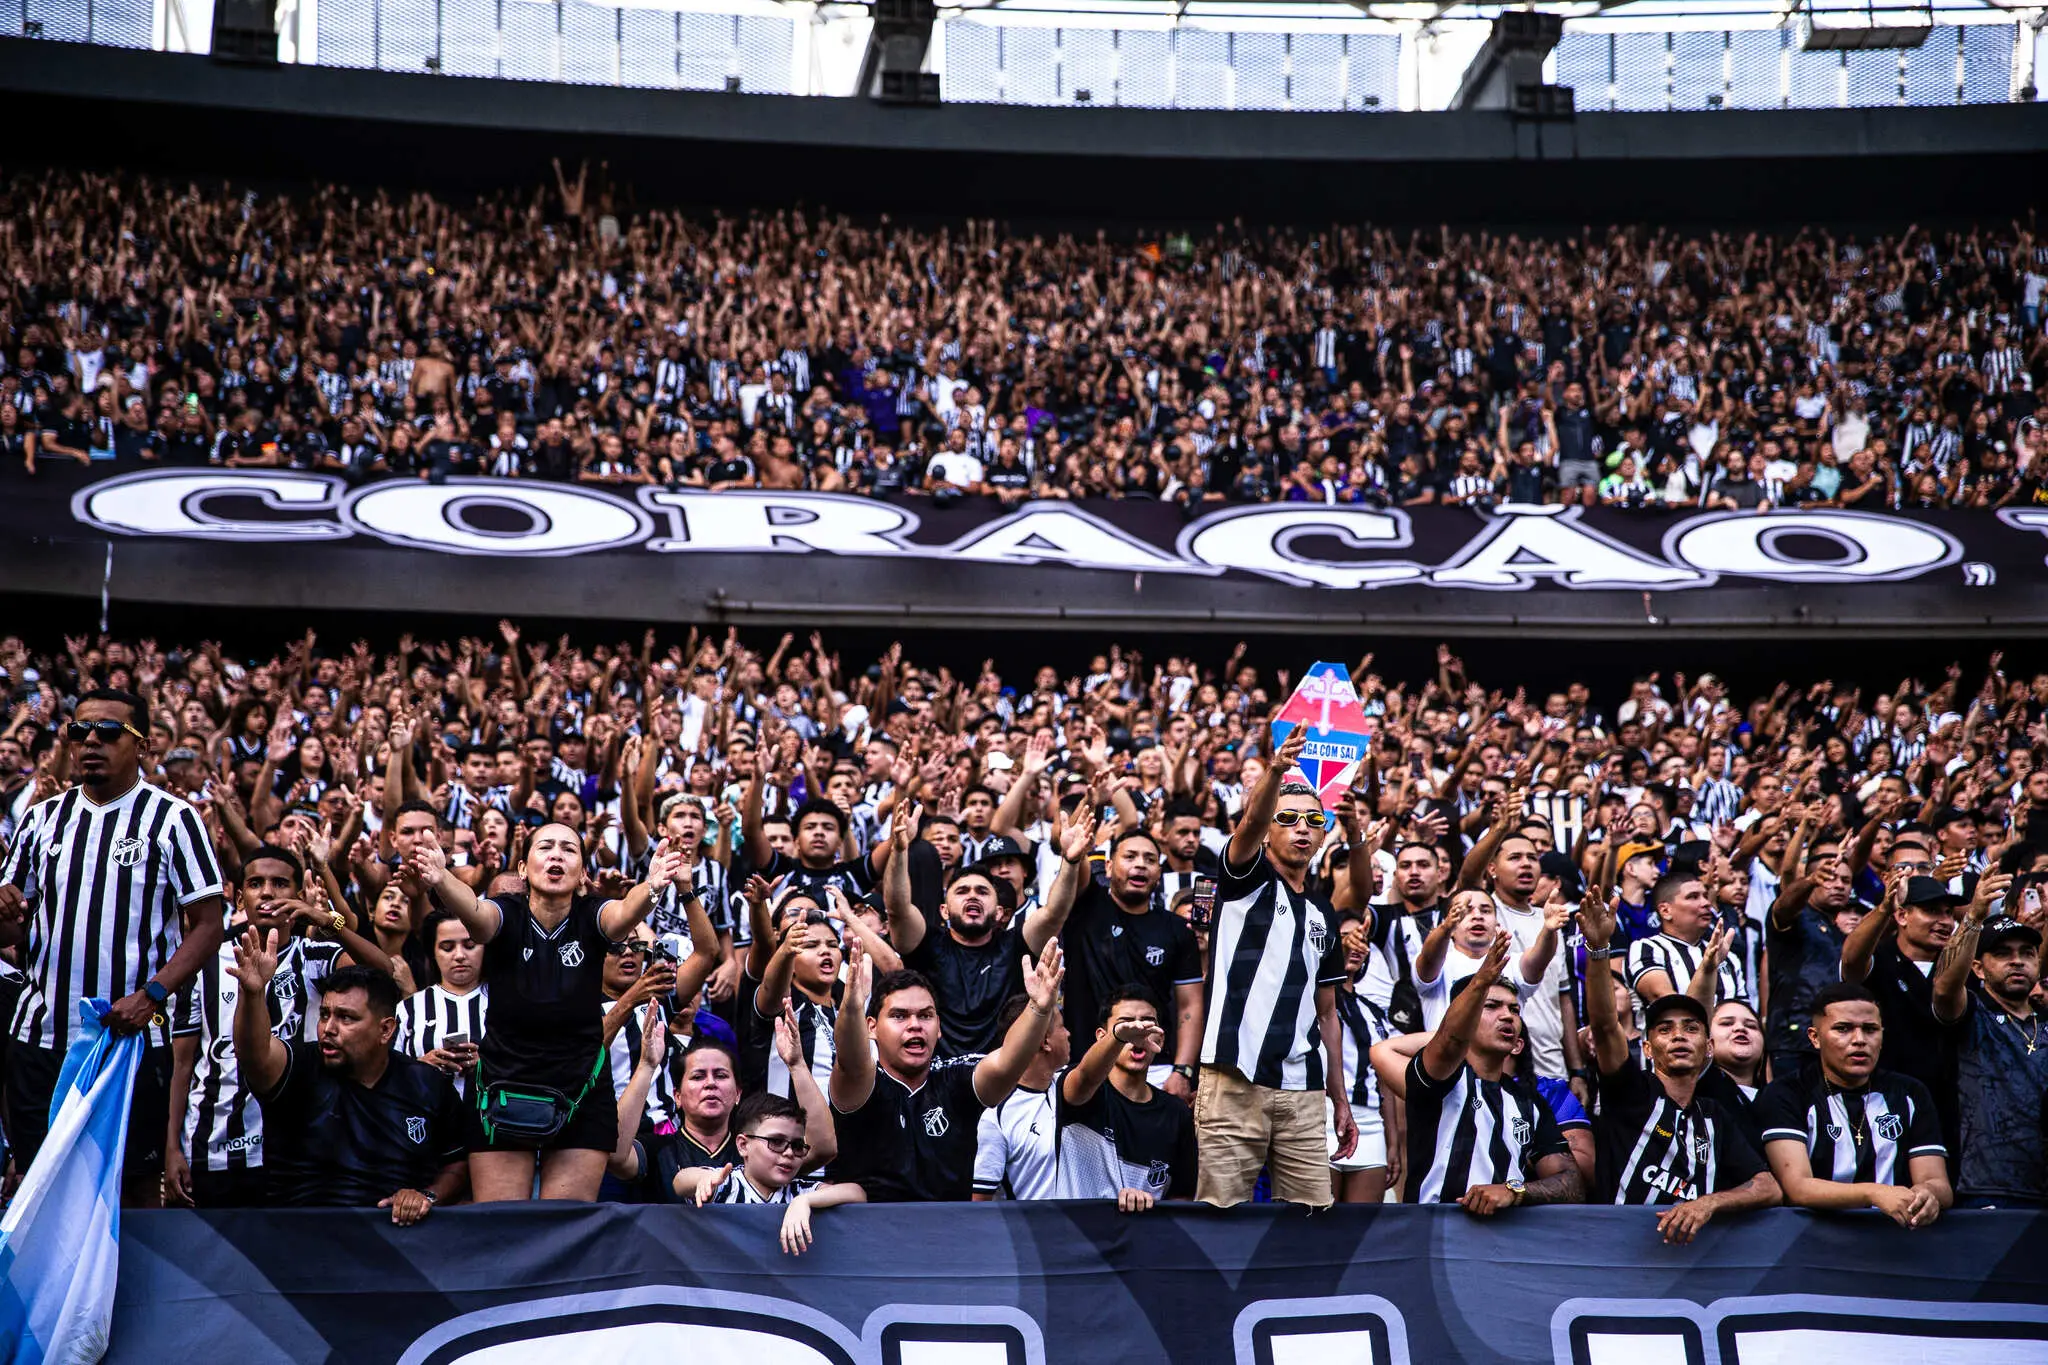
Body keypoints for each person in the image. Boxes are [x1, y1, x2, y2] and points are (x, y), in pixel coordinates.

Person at [0, 687, 224, 1204]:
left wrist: (152, 996)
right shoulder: (41, 818)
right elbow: (11, 930)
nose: (91, 742)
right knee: (40, 1186)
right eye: (80, 731)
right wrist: (2, 909)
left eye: (108, 732)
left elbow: (209, 925)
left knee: (133, 1189)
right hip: (43, 1037)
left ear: (142, 745)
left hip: (133, 1042)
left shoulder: (173, 819)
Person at [409, 827, 680, 1201]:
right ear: (523, 868)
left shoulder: (593, 913)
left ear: (582, 873)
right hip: (502, 1085)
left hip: (581, 1088)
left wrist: (652, 886)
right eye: (545, 847)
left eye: (569, 849)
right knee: (506, 1221)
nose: (556, 855)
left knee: (565, 1223)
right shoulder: (506, 912)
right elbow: (476, 914)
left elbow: (622, 914)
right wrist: (442, 878)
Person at [167, 843, 389, 1208]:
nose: (267, 893)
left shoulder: (316, 957)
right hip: (215, 1143)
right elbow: (181, 1063)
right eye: (256, 884)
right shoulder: (204, 964)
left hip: (301, 1147)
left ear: (299, 897)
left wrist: (325, 920)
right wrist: (172, 1147)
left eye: (280, 883)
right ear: (240, 898)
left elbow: (384, 975)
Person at [1195, 726, 1354, 1208]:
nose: (1302, 827)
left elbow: (1327, 1013)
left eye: (1313, 820)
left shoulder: (1324, 912)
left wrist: (1339, 1098)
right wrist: (1276, 772)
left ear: (1323, 835)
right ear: (1268, 829)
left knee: (1311, 1219)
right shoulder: (1246, 878)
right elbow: (1247, 827)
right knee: (1221, 1219)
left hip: (1304, 1090)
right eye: (1287, 818)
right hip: (1233, 1078)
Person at [1579, 887, 1779, 1241]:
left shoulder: (1715, 1115)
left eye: (1691, 1029)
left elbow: (1768, 1187)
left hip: (1691, 1263)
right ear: (1647, 1048)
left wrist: (1709, 1203)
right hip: (1616, 1253)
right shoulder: (1631, 1093)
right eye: (1664, 1030)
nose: (1678, 1037)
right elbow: (1606, 1025)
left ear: (1709, 1049)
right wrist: (1598, 950)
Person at [230, 946, 465, 1222]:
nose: (328, 1029)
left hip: (394, 1237)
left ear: (386, 1029)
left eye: (346, 1018)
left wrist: (427, 1196)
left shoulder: (426, 1084)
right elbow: (254, 1054)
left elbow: (457, 1163)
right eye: (324, 1014)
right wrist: (253, 995)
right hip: (300, 1234)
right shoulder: (298, 1068)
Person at [827, 940, 1064, 1203]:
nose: (915, 1025)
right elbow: (851, 1058)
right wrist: (852, 1008)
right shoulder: (862, 1084)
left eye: (925, 1016)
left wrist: (1038, 1009)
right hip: (871, 1228)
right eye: (899, 1016)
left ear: (939, 1027)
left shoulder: (956, 1079)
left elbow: (1007, 1062)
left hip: (949, 1227)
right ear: (871, 1027)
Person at [1376, 933, 1583, 1211]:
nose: (1507, 1015)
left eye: (1514, 1009)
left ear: (1518, 1043)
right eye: (1491, 1006)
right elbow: (1443, 1043)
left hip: (1503, 1236)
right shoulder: (1441, 1078)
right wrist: (1479, 985)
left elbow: (1572, 1183)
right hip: (1432, 1231)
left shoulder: (1529, 1103)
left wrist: (1514, 1191)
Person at [886, 804, 1086, 1056]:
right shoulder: (926, 944)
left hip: (1001, 1072)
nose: (973, 896)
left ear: (1000, 911)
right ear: (944, 911)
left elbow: (1054, 913)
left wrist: (1070, 861)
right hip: (937, 1071)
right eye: (962, 891)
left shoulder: (1016, 945)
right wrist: (899, 851)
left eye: (982, 892)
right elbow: (897, 908)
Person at [1754, 983, 1952, 1229]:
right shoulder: (1787, 1093)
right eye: (1843, 1029)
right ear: (1814, 1038)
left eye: (1870, 1030)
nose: (1859, 1040)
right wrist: (1873, 1193)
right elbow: (1797, 1187)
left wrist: (1928, 1193)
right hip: (1812, 1238)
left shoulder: (1910, 1093)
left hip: (1895, 1237)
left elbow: (1938, 1182)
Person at [1932, 878, 2048, 1207]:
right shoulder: (1972, 1015)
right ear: (1979, 969)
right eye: (2002, 954)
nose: (2017, 961)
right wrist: (1973, 918)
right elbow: (1943, 988)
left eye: (2027, 953)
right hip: (1985, 1188)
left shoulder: (2045, 1020)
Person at [1055, 984, 1198, 1210]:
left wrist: (1148, 1209)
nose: (1137, 1032)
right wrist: (1117, 1038)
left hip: (1146, 1231)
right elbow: (1085, 1077)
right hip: (1079, 1228)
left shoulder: (1176, 1113)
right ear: (1102, 1036)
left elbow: (1183, 1197)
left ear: (1160, 1039)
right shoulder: (1085, 1089)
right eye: (1126, 1024)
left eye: (1147, 1023)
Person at [693, 1090, 868, 1255]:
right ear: (743, 1145)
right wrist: (703, 1178)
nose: (789, 1152)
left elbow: (856, 1193)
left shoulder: (800, 1192)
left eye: (797, 1146)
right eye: (776, 1141)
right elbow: (681, 1181)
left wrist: (804, 1201)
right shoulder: (725, 1183)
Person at [971, 992, 1070, 1201]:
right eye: (1062, 1027)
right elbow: (980, 1204)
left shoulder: (1073, 1085)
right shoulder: (995, 1117)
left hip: (1090, 1221)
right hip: (1033, 1223)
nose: (1068, 1033)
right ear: (1045, 1041)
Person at [395, 908, 491, 1099]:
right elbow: (386, 1071)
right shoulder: (409, 1008)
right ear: (433, 952)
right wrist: (420, 1066)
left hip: (493, 1114)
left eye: (470, 945)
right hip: (425, 1112)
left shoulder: (505, 1002)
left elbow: (530, 1063)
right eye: (447, 947)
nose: (459, 955)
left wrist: (489, 1065)